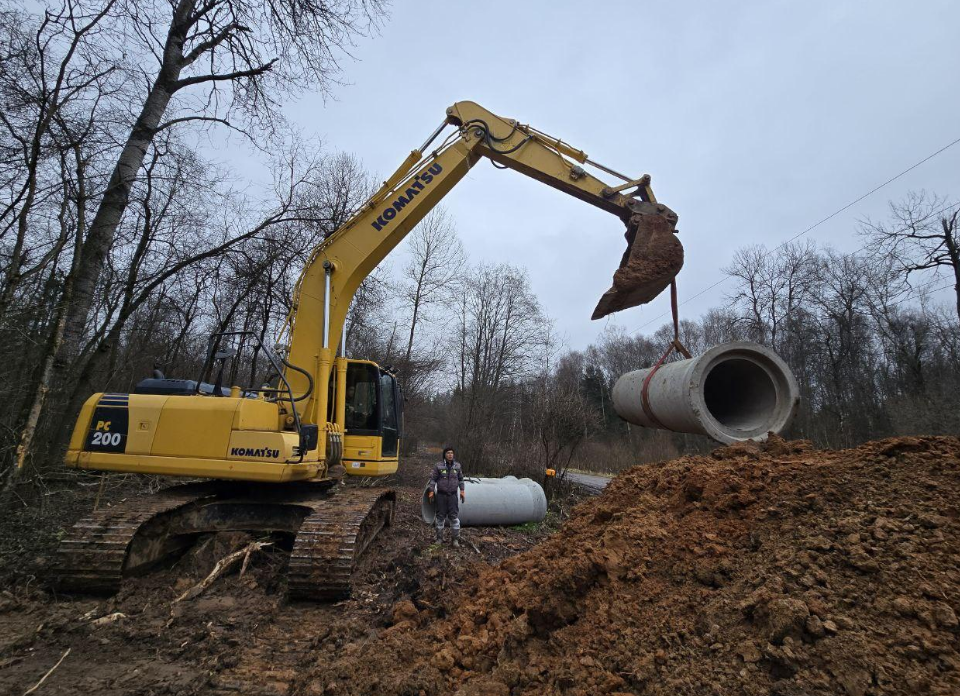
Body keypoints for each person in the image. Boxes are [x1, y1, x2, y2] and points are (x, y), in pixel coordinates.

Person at [427, 446, 465, 546]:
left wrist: (462, 490)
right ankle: (439, 539)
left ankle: (455, 540)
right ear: (444, 454)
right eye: (448, 453)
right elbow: (432, 480)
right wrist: (431, 491)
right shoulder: (438, 466)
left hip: (453, 496)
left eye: (452, 453)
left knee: (454, 518)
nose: (450, 455)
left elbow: (461, 479)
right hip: (441, 496)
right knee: (440, 517)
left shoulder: (457, 466)